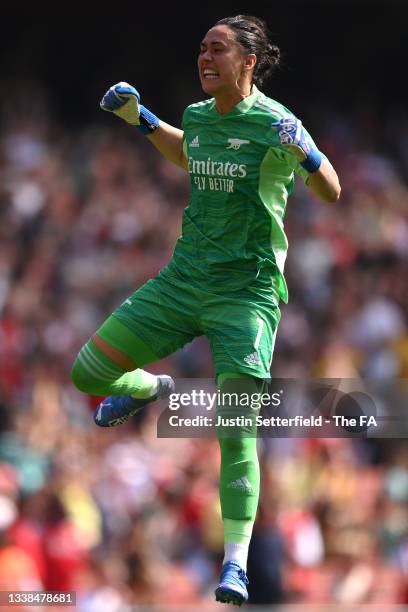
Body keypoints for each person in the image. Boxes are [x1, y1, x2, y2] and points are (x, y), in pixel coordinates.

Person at [71, 14, 340, 606]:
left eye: (218, 49)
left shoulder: (276, 122)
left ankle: (235, 564)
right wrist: (138, 119)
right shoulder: (197, 116)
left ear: (249, 61)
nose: (205, 57)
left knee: (236, 425)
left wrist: (310, 156)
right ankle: (145, 389)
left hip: (246, 294)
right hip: (182, 280)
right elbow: (187, 152)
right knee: (87, 373)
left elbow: (331, 191)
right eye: (201, 48)